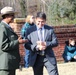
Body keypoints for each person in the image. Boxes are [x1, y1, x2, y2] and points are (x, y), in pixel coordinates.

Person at [0, 6, 28, 75]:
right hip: (6, 65)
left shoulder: (7, 27)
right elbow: (3, 46)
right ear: (6, 16)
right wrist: (17, 42)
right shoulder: (2, 28)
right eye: (12, 15)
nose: (14, 17)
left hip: (10, 65)